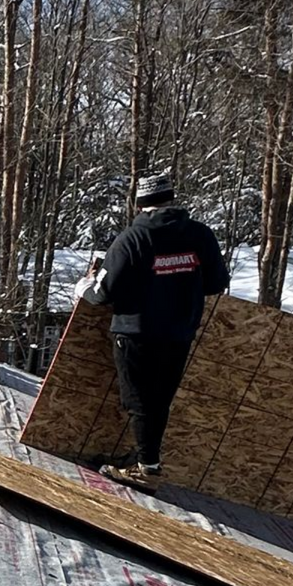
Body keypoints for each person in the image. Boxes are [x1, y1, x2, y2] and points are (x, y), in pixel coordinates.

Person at [80, 174, 229, 483]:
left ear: (139, 204)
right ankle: (146, 461)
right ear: (171, 199)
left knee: (139, 400)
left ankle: (146, 468)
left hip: (136, 332)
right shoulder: (201, 235)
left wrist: (85, 287)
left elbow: (104, 291)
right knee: (159, 400)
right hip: (179, 332)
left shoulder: (132, 239)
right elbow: (216, 283)